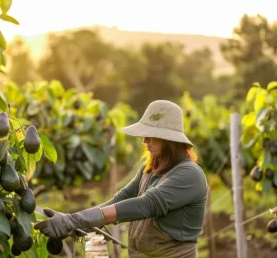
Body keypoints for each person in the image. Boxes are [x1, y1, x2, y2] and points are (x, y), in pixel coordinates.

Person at [34, 100, 208, 258]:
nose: (144, 140)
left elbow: (146, 204)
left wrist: (74, 221)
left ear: (169, 140)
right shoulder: (151, 169)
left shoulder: (189, 175)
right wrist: (76, 223)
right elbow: (122, 198)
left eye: (151, 135)